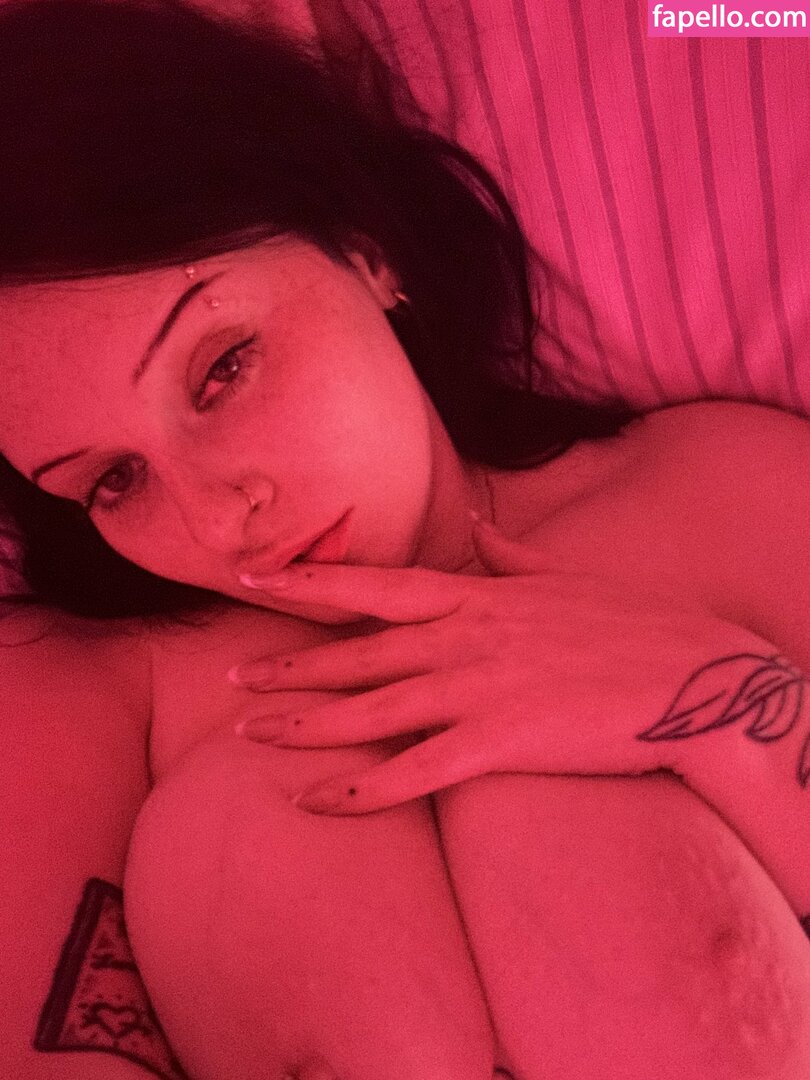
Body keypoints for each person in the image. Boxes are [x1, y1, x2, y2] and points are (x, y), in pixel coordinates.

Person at [2, 1, 810, 1078]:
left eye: (222, 368)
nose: (215, 515)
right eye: (113, 480)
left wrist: (720, 705)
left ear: (364, 249)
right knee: (250, 809)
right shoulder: (80, 692)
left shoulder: (722, 488)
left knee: (549, 797)